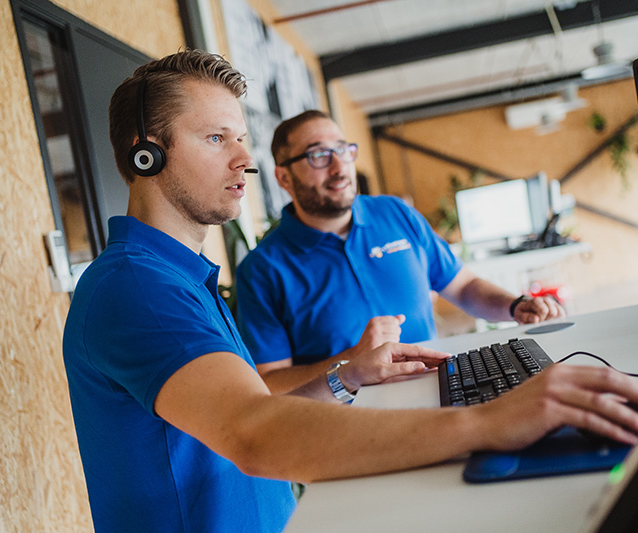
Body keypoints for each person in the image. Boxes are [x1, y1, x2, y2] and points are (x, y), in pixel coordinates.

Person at [63, 49, 638, 533]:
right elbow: (253, 432)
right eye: (217, 138)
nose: (245, 158)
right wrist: (487, 423)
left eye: (242, 138)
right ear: (147, 153)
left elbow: (258, 413)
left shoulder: (179, 277)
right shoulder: (137, 287)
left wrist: (347, 375)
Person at [236, 110, 565, 394]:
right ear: (284, 178)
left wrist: (515, 305)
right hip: (349, 418)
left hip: (442, 386)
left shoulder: (394, 213)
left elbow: (463, 286)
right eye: (318, 155)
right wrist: (352, 358)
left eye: (343, 150)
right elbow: (270, 382)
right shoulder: (262, 268)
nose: (339, 167)